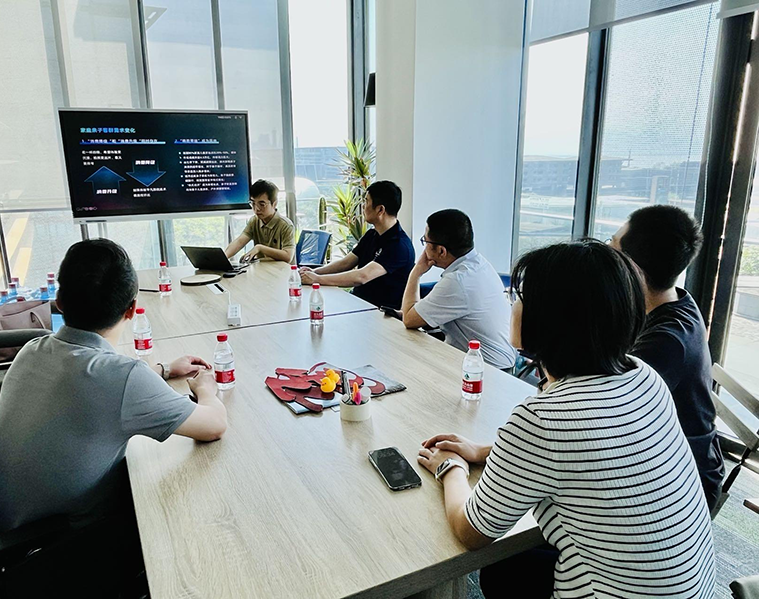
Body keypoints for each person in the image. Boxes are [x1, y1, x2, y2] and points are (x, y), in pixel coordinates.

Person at [417, 239, 715, 598]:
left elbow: (471, 531)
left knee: (500, 567)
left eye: (520, 296)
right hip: (692, 589)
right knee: (508, 568)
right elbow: (585, 444)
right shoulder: (642, 375)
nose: (513, 304)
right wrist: (484, 451)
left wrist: (450, 467)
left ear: (549, 319)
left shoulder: (542, 420)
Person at [0, 239, 228, 543]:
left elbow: (95, 384)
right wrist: (206, 390)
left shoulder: (32, 350)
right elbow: (214, 426)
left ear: (60, 301)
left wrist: (162, 370)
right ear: (132, 309)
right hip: (50, 553)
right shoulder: (122, 377)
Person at [611, 205, 724, 512]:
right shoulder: (673, 301)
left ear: (633, 268)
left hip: (681, 481)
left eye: (613, 246)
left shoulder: (665, 341)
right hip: (663, 454)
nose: (607, 253)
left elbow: (605, 414)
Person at [399, 209, 516, 369]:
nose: (424, 248)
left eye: (425, 241)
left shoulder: (458, 281)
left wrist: (416, 272)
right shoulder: (479, 264)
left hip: (485, 370)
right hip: (498, 362)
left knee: (406, 361)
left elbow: (409, 320)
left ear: (441, 251)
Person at [300, 180, 414, 308]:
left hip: (379, 311)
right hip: (358, 302)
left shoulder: (399, 245)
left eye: (366, 201)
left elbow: (362, 276)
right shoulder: (372, 234)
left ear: (380, 209)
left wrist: (317, 279)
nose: (363, 207)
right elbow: (346, 263)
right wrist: (315, 272)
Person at [224, 179, 295, 263]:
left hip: (281, 270)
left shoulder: (286, 225)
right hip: (262, 269)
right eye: (253, 203)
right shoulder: (254, 221)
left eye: (262, 204)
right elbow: (239, 242)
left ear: (274, 204)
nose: (256, 209)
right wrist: (223, 258)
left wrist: (260, 248)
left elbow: (288, 256)